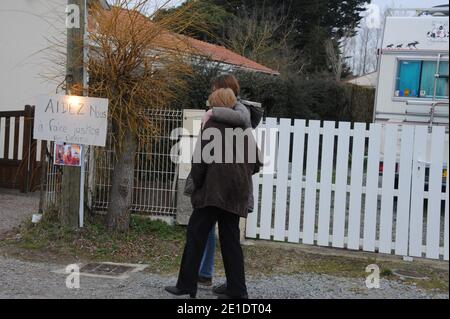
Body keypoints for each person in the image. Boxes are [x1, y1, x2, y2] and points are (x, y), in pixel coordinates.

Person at [165, 88, 262, 299]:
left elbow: (200, 161)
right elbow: (257, 163)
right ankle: (237, 290)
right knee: (231, 242)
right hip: (236, 193)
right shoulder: (245, 129)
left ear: (215, 105)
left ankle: (186, 285)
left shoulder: (213, 126)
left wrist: (196, 185)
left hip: (213, 192)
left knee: (195, 236)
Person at [194, 75, 262, 293]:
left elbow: (201, 160)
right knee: (227, 238)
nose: (210, 92)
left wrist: (211, 113)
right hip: (233, 189)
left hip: (216, 189)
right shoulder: (238, 123)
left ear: (221, 92)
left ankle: (195, 280)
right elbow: (256, 161)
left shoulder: (234, 115)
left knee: (201, 232)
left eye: (214, 89)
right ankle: (233, 286)